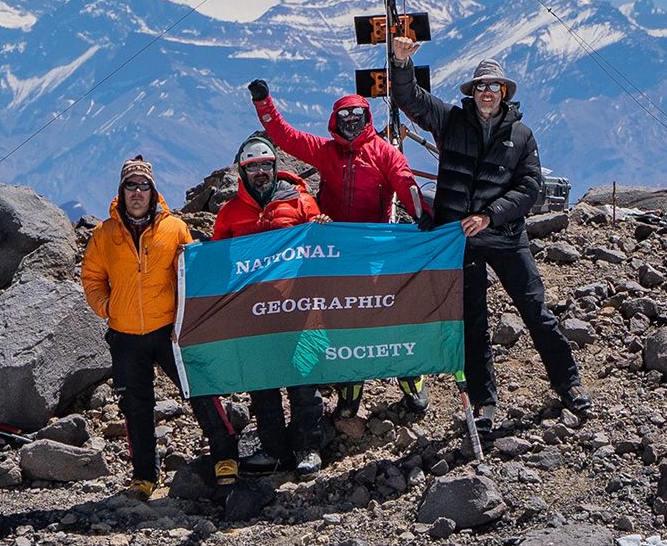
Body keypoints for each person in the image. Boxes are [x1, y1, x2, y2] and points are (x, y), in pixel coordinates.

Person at [388, 38, 589, 435]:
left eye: (493, 86)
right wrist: (400, 62)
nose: (486, 92)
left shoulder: (522, 135)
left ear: (504, 93)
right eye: (480, 86)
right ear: (472, 92)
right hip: (460, 240)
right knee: (473, 322)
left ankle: (569, 385)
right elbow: (409, 98)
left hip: (506, 237)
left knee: (536, 313)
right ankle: (484, 403)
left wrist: (490, 216)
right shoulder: (450, 121)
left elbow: (530, 188)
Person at [247, 77, 427, 418]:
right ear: (335, 120)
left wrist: (426, 222)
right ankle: (349, 393)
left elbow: (406, 184)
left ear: (366, 117)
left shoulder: (384, 154)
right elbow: (285, 136)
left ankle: (412, 382)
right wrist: (264, 104)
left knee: (388, 315)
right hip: (334, 254)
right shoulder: (325, 152)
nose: (350, 122)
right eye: (344, 117)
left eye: (356, 116)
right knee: (340, 320)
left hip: (374, 252)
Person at [206, 133, 330, 478]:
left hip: (301, 308)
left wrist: (322, 228)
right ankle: (274, 451)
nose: (260, 171)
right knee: (263, 385)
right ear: (242, 172)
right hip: (255, 313)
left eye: (265, 164)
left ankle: (308, 448)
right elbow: (217, 259)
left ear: (275, 166)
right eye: (252, 166)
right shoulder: (229, 213)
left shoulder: (301, 202)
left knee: (304, 380)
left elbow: (321, 249)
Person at [78, 156, 198, 500]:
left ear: (153, 190)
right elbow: (92, 278)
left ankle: (224, 456)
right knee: (136, 409)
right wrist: (108, 307)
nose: (137, 192)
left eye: (143, 185)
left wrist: (185, 316)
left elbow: (190, 273)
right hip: (125, 335)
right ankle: (144, 477)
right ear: (121, 190)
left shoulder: (175, 228)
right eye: (130, 185)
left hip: (168, 331)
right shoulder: (104, 233)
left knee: (199, 389)